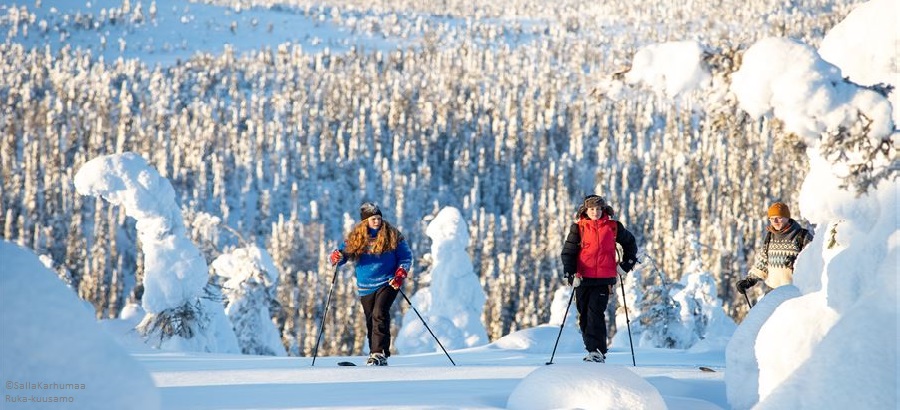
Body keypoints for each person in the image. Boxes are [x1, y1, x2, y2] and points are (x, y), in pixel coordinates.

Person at [330, 202, 413, 366]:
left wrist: (400, 274)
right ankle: (375, 354)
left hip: (388, 281)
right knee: (370, 319)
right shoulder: (356, 237)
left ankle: (379, 353)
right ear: (365, 221)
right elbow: (343, 255)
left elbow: (405, 257)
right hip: (365, 285)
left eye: (378, 218)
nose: (377, 221)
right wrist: (337, 257)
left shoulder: (393, 235)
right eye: (373, 218)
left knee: (379, 313)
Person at [560, 195, 638, 363]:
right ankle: (592, 349)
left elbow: (630, 243)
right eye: (592, 209)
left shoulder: (613, 227)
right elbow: (568, 253)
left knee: (595, 313)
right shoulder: (578, 228)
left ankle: (597, 352)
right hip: (583, 279)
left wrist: (625, 265)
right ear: (586, 210)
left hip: (604, 279)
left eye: (598, 209)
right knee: (584, 316)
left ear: (604, 210)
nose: (595, 212)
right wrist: (571, 274)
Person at [736, 202, 813, 295]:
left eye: (779, 218)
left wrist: (797, 262)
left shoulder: (802, 236)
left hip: (796, 291)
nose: (775, 222)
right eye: (772, 219)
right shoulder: (770, 236)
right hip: (773, 291)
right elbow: (763, 261)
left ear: (787, 218)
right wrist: (749, 280)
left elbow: (813, 261)